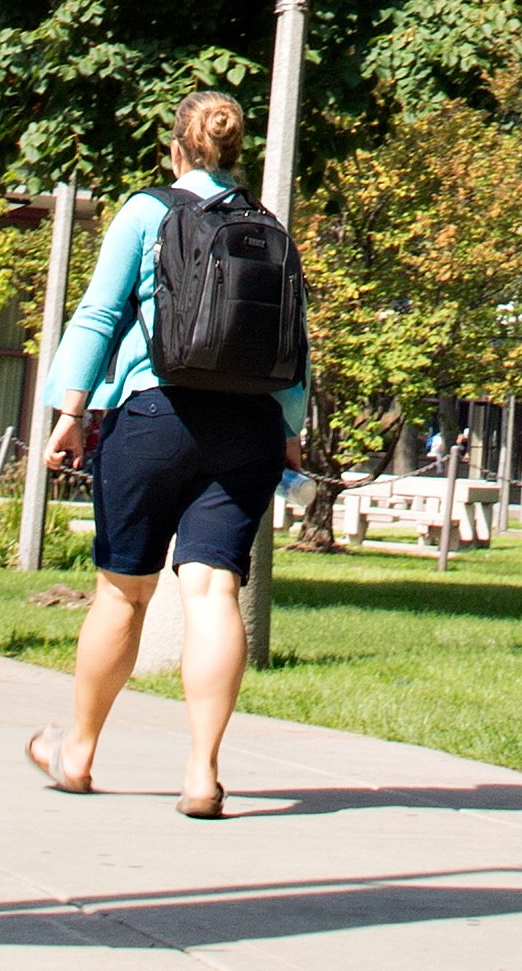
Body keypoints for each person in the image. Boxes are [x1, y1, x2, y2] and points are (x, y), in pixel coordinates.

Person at [23, 90, 309, 820]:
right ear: (235, 152)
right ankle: (203, 773)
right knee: (214, 590)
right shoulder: (270, 225)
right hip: (247, 425)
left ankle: (78, 753)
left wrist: (69, 408)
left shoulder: (147, 212)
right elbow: (293, 339)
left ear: (176, 151)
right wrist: (291, 424)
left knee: (124, 591)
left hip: (153, 415)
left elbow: (99, 312)